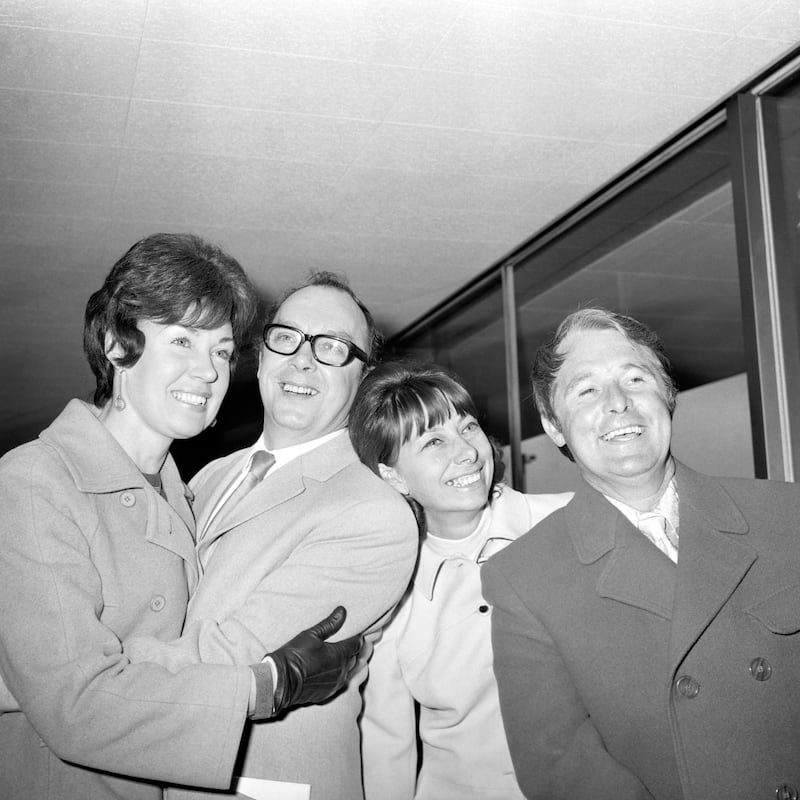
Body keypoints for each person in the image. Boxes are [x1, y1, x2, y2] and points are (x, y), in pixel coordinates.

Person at [0, 234, 361, 800]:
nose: (209, 371)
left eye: (221, 351)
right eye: (183, 341)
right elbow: (75, 703)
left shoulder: (185, 494)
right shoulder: (36, 480)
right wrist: (263, 687)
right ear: (119, 346)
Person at [122, 271, 419, 800]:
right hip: (156, 764)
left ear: (364, 378)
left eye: (333, 348)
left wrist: (62, 675)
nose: (303, 359)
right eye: (287, 337)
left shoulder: (374, 511)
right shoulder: (208, 477)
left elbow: (233, 654)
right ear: (260, 356)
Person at [481, 307, 800, 800]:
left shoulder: (787, 514)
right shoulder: (524, 578)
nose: (618, 403)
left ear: (668, 397)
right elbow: (560, 766)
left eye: (635, 378)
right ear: (553, 425)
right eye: (586, 390)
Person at [348, 360, 572, 800]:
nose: (467, 451)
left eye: (467, 428)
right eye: (434, 441)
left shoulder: (569, 523)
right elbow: (385, 751)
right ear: (392, 475)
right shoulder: (392, 589)